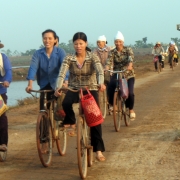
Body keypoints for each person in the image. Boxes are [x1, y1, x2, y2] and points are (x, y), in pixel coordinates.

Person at [55, 32, 106, 161]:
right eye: (76, 44)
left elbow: (99, 70)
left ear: (86, 44)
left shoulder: (92, 57)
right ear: (73, 45)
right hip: (74, 87)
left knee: (94, 118)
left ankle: (98, 150)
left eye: (81, 43)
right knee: (66, 103)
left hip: (91, 88)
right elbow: (62, 73)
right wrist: (58, 87)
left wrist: (101, 83)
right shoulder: (69, 58)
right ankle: (71, 121)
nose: (78, 46)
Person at [26, 29, 68, 110]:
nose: (47, 41)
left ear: (55, 40)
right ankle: (44, 119)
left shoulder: (60, 52)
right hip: (44, 84)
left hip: (58, 84)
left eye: (50, 38)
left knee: (60, 110)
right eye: (45, 38)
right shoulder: (37, 53)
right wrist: (30, 84)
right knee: (43, 108)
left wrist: (65, 82)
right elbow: (33, 68)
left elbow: (65, 67)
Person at [105, 31, 136, 121]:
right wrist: (106, 67)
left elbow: (131, 58)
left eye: (120, 41)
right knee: (111, 86)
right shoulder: (112, 52)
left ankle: (130, 109)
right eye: (116, 41)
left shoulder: (128, 50)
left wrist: (130, 65)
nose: (118, 43)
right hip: (117, 72)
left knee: (130, 93)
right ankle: (112, 104)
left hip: (128, 74)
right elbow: (109, 61)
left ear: (123, 42)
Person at [0, 41, 12, 151]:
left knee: (1, 115)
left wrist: (7, 80)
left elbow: (8, 71)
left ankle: (3, 143)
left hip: (0, 91)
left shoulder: (3, 58)